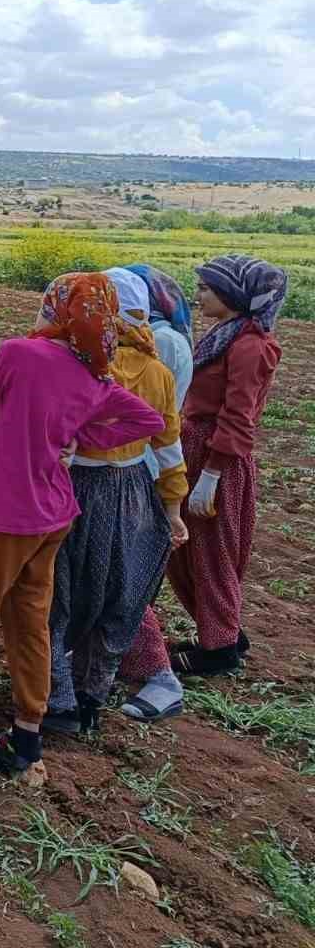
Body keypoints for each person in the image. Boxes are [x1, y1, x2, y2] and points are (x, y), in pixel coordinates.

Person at [0, 274, 164, 783]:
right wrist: (79, 437)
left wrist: (57, 428)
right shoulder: (96, 375)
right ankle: (25, 735)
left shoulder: (19, 354)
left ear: (58, 309)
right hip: (54, 515)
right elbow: (149, 422)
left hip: (9, 513)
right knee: (30, 621)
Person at [43, 268, 189, 735]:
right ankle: (93, 696)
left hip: (75, 489)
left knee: (57, 596)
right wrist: (173, 508)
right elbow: (168, 445)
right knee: (119, 597)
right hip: (131, 492)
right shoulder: (157, 372)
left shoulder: (78, 364)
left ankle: (58, 697)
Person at [162, 255, 285, 679]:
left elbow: (239, 416)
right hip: (197, 447)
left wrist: (210, 477)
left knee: (211, 552)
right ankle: (222, 633)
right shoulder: (227, 334)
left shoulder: (250, 346)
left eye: (206, 290)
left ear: (233, 296)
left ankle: (218, 650)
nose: (198, 296)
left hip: (216, 456)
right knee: (188, 552)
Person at [118, 264, 197, 721]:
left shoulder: (159, 344)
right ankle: (113, 662)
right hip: (136, 471)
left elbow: (152, 421)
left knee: (127, 578)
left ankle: (159, 676)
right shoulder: (159, 338)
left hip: (137, 473)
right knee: (118, 575)